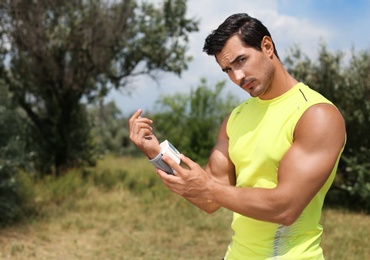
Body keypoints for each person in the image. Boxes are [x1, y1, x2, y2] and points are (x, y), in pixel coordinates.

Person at [129, 13, 346, 260]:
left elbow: (286, 207)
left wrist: (209, 187)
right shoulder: (235, 119)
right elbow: (209, 199)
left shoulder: (316, 115)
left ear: (267, 46)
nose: (237, 77)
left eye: (241, 60)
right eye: (228, 70)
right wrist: (156, 153)